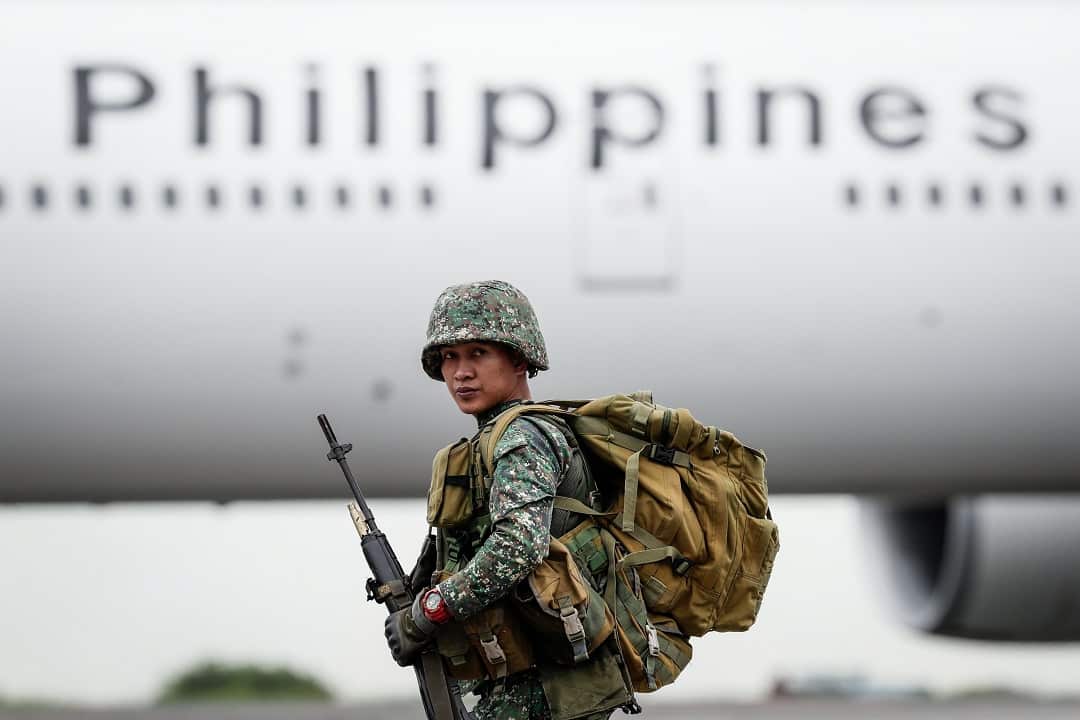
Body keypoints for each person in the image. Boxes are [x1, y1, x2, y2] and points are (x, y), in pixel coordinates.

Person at [383, 280, 631, 720]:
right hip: (527, 679)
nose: (461, 372)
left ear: (518, 359)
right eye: (449, 358)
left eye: (479, 354)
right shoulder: (487, 444)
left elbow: (517, 547)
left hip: (550, 685)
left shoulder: (522, 438)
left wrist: (430, 612)